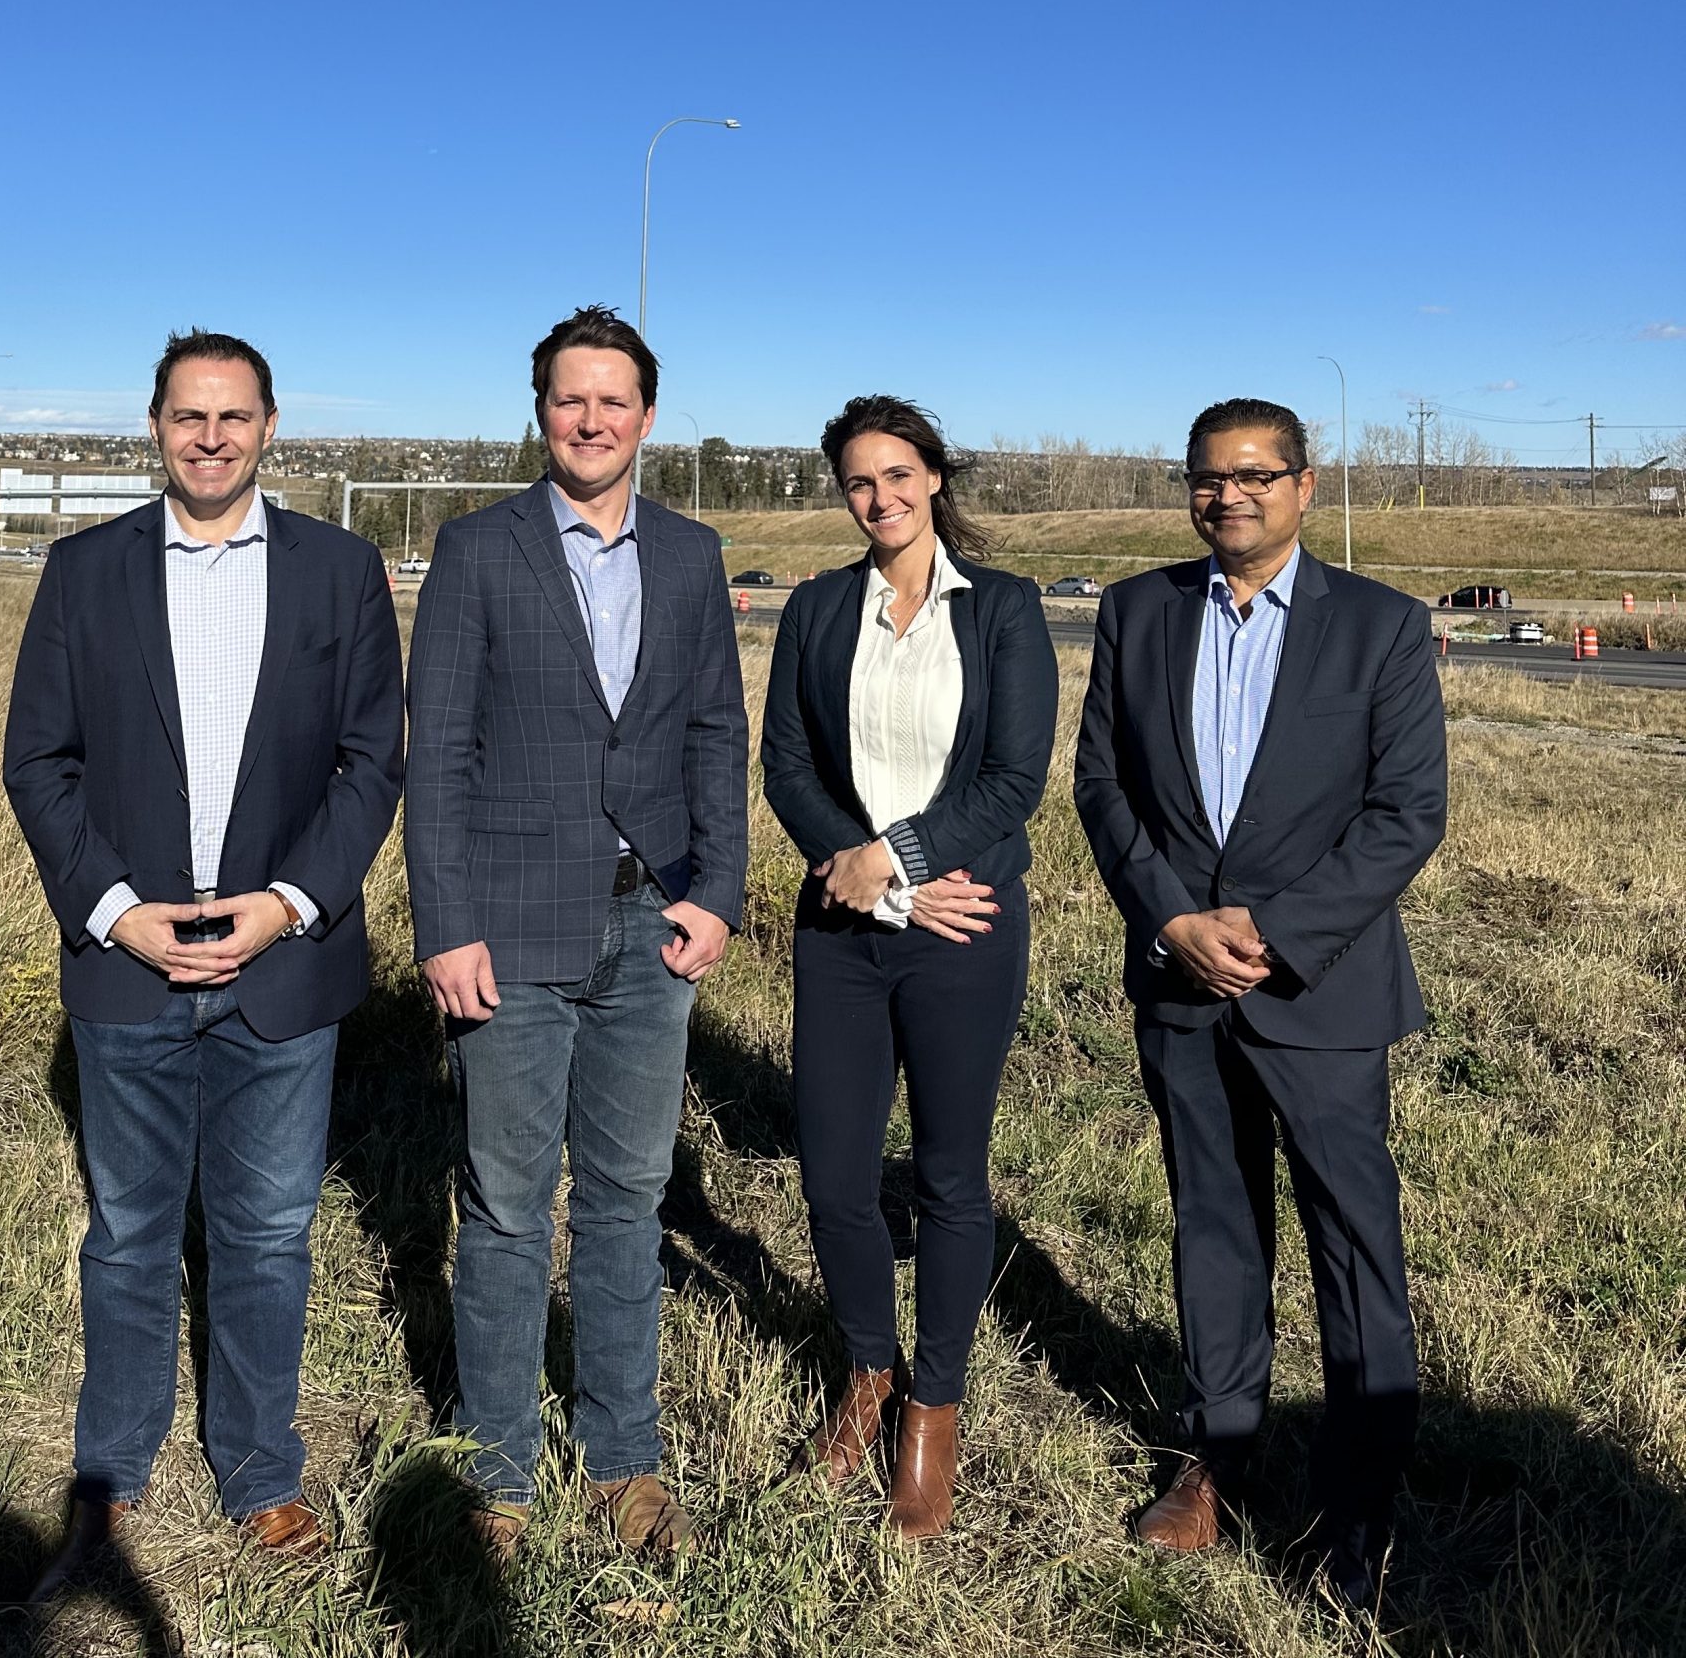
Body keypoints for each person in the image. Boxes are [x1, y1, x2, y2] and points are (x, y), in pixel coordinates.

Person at [3, 328, 404, 1596]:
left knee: (268, 1231)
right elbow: (39, 761)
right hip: (128, 965)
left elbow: (369, 765)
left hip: (280, 970)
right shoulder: (83, 572)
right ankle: (111, 1473)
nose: (211, 437)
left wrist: (288, 904)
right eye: (189, 416)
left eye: (233, 416)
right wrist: (115, 909)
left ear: (272, 425)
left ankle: (259, 1470)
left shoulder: (340, 573)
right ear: (156, 424)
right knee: (129, 1232)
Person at [1073, 397, 1446, 1613]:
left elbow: (1405, 811)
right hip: (1179, 977)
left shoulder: (1381, 627)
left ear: (1300, 483)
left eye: (1251, 475)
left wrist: (1274, 933)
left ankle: (1357, 1499)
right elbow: (1102, 787)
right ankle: (1217, 1454)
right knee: (1211, 1224)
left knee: (1352, 1239)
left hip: (1319, 990)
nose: (1225, 495)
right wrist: (1172, 917)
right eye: (1205, 477)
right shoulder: (1136, 611)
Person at [403, 304, 749, 1566]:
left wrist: (716, 887)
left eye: (612, 400)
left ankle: (623, 1457)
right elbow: (433, 753)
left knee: (624, 1202)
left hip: (650, 925)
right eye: (567, 399)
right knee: (502, 1209)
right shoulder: (477, 549)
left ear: (646, 417)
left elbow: (716, 730)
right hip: (506, 930)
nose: (590, 419)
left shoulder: (694, 553)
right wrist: (444, 924)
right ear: (538, 411)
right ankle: (497, 1472)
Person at [760, 395, 1057, 1539]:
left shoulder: (1005, 612)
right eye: (855, 482)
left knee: (946, 1176)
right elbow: (785, 760)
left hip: (961, 924)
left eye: (896, 474)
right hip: (840, 930)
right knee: (833, 1177)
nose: (877, 498)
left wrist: (903, 858)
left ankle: (932, 1405)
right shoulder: (816, 606)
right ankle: (866, 1373)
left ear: (934, 477)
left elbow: (1011, 779)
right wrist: (861, 874)